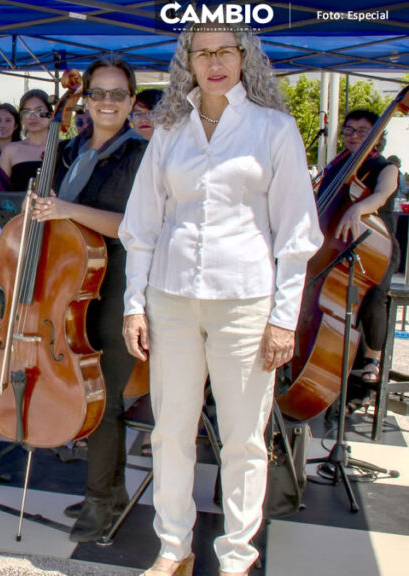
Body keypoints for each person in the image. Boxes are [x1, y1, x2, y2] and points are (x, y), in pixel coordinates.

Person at [118, 24, 322, 576]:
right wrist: (134, 304)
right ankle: (173, 550)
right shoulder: (169, 130)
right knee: (170, 431)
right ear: (187, 60)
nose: (214, 62)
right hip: (172, 300)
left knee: (243, 438)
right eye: (202, 52)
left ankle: (236, 556)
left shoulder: (274, 129)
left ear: (243, 57)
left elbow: (297, 235)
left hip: (246, 303)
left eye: (224, 51)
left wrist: (283, 320)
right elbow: (142, 226)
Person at [34, 57, 148, 543]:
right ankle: (110, 490)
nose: (106, 101)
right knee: (92, 397)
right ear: (84, 100)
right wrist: (40, 204)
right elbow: (56, 210)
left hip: (118, 286)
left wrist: (63, 207)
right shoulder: (73, 147)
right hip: (75, 285)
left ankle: (102, 503)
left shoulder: (141, 154)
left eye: (116, 94)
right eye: (97, 93)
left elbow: (133, 226)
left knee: (104, 402)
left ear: (131, 101)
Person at [321, 111, 399, 388]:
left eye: (362, 131)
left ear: (376, 137)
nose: (353, 136)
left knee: (374, 295)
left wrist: (358, 208)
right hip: (338, 243)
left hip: (375, 246)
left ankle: (371, 359)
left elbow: (380, 196)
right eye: (349, 130)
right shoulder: (337, 166)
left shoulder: (385, 167)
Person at [0, 89, 53, 191]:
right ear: (22, 118)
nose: (32, 116)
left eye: (39, 111)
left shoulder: (64, 148)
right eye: (26, 112)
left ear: (51, 115)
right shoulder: (11, 150)